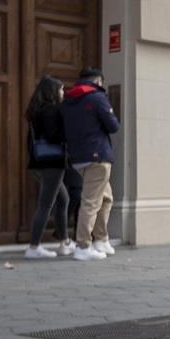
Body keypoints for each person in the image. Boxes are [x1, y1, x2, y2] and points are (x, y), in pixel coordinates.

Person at [60, 67, 120, 261]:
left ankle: (101, 239)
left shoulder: (68, 100)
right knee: (91, 202)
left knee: (106, 198)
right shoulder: (96, 97)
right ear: (97, 80)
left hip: (78, 158)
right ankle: (83, 246)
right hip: (97, 157)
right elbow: (113, 126)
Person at [24, 75, 74, 259]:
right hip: (52, 163)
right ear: (52, 92)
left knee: (63, 199)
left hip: (38, 162)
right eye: (61, 89)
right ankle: (34, 246)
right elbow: (54, 135)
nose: (63, 92)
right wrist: (67, 133)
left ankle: (65, 242)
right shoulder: (51, 110)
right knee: (46, 204)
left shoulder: (35, 110)